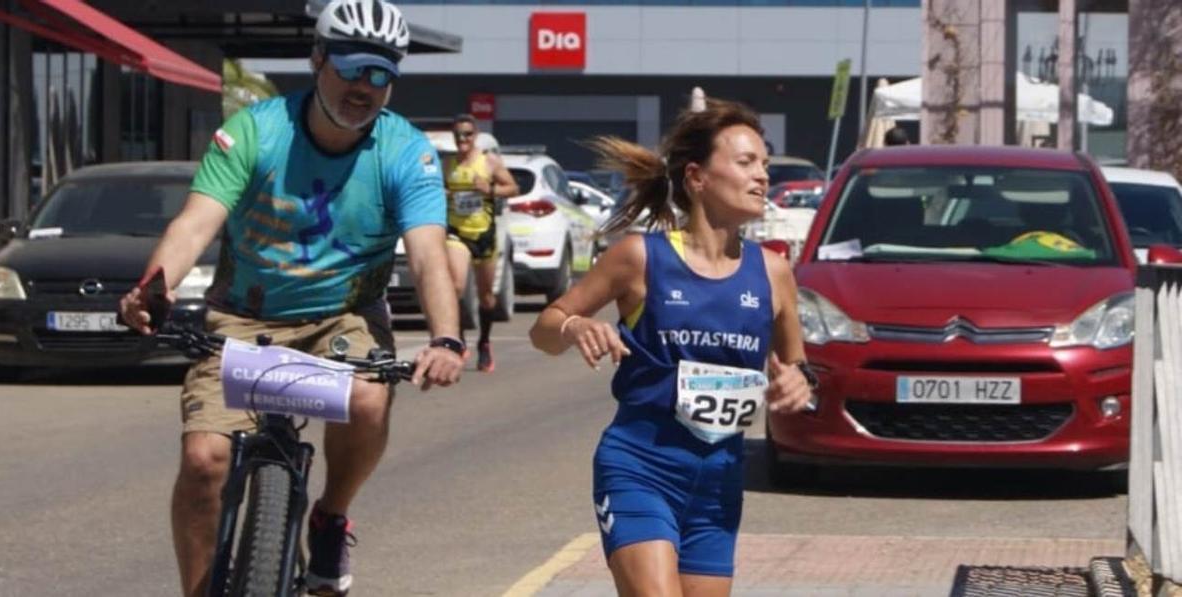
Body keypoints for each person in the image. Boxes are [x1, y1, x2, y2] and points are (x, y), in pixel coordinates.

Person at [117, 1, 465, 595]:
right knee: (205, 461)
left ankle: (330, 514)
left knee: (369, 400)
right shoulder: (257, 130)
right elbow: (197, 223)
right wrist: (155, 287)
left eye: (380, 76)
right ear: (318, 59)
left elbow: (429, 253)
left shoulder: (407, 152)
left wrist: (446, 337)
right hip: (242, 316)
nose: (364, 88)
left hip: (344, 316)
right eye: (352, 69)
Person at [528, 99, 816, 596]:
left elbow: (798, 365)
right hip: (641, 467)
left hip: (720, 481)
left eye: (764, 164)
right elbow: (544, 327)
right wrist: (575, 327)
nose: (762, 175)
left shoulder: (773, 272)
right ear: (697, 177)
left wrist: (798, 382)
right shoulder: (640, 257)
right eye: (746, 162)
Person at [443, 114, 519, 372]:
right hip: (457, 233)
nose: (462, 140)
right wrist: (442, 193)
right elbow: (435, 189)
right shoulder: (448, 164)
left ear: (474, 136)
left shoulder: (488, 162)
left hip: (484, 233)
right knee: (455, 286)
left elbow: (513, 188)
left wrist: (491, 190)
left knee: (487, 297)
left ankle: (484, 342)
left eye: (466, 134)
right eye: (457, 135)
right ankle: (459, 337)